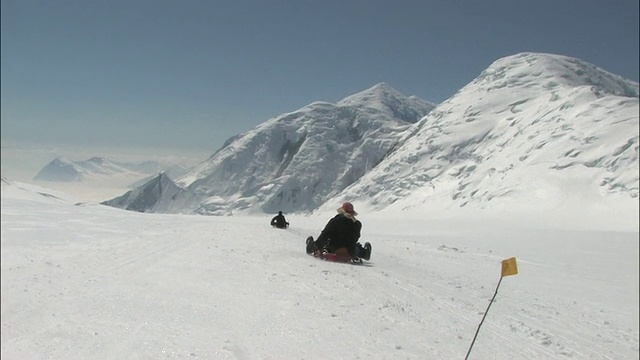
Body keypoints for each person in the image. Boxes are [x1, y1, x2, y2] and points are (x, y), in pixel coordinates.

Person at [306, 202, 371, 260]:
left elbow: (325, 234)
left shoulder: (336, 220)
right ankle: (365, 253)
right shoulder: (357, 224)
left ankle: (311, 246)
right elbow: (356, 238)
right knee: (357, 247)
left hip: (334, 247)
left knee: (325, 243)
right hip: (350, 250)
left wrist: (317, 245)